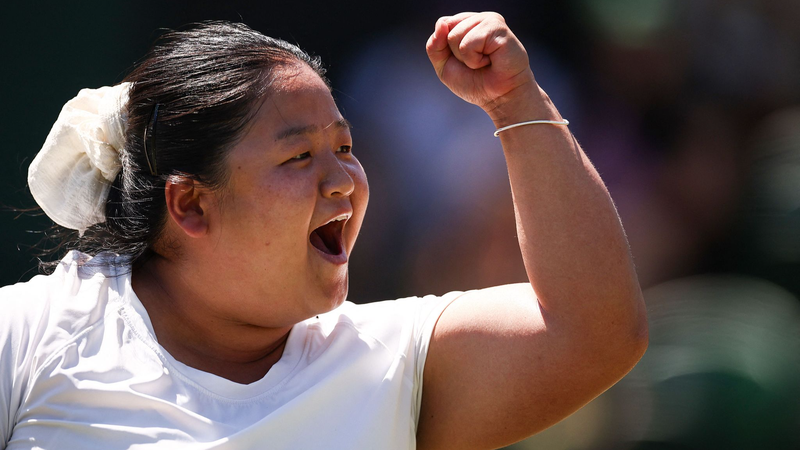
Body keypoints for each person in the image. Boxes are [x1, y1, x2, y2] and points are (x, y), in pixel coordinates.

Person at [1, 12, 647, 450]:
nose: (345, 181)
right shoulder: (33, 336)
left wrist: (516, 103)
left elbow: (595, 331)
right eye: (299, 157)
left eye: (345, 146)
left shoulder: (385, 363)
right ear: (192, 205)